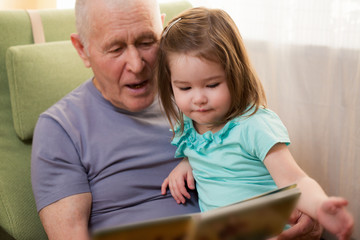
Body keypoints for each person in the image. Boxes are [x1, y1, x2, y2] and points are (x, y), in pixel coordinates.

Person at [30, 0, 323, 239]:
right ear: (82, 49)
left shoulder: (201, 101)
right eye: (116, 48)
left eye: (147, 42)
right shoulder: (61, 128)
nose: (136, 65)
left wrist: (303, 219)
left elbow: (275, 176)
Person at [157, 7, 354, 240]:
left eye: (212, 85)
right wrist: (188, 161)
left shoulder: (254, 125)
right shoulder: (190, 130)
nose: (198, 98)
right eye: (185, 88)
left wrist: (320, 206)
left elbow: (295, 180)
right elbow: (212, 156)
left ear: (235, 75)